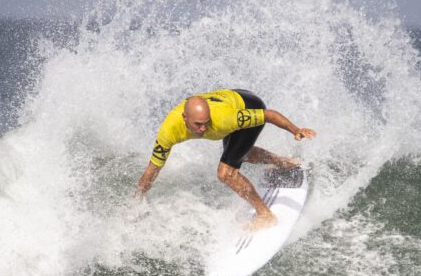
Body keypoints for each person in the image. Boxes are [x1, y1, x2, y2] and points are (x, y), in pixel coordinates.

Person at [135, 88, 316, 230]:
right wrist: (137, 198)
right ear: (184, 118)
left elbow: (268, 115)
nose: (203, 129)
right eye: (198, 124)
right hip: (230, 101)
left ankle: (265, 215)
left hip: (247, 105)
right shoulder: (168, 132)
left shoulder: (224, 119)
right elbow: (152, 169)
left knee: (226, 173)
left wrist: (296, 130)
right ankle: (283, 162)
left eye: (206, 123)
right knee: (240, 153)